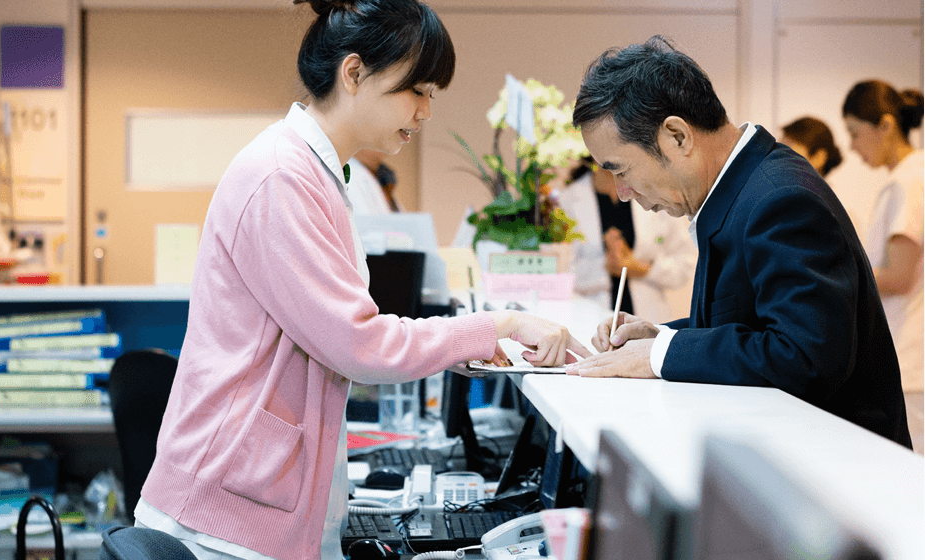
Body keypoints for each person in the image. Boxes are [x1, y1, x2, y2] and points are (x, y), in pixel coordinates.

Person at [135, 2, 591, 559]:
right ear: (354, 74)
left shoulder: (317, 172)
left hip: (252, 496)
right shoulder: (282, 176)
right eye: (416, 90)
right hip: (223, 514)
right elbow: (358, 342)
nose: (425, 111)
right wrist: (498, 325)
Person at [565, 36, 911, 448]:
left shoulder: (781, 199)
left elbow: (804, 356)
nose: (622, 192)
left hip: (840, 478)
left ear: (677, 136)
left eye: (620, 170)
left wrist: (662, 356)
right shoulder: (744, 189)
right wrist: (660, 336)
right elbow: (752, 326)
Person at [842, 80, 924, 453]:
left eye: (856, 133)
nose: (852, 147)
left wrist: (841, 274)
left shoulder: (909, 179)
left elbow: (900, 277)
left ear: (886, 126)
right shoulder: (905, 178)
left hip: (910, 359)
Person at [556, 156, 695, 324]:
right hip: (589, 321)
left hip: (650, 318)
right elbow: (558, 273)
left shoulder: (656, 193)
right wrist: (607, 265)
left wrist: (639, 268)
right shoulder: (567, 201)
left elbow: (685, 265)